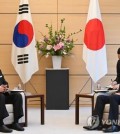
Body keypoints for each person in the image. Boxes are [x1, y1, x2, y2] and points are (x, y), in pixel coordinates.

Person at [83, 47, 120, 133]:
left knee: (113, 97)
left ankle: (113, 125)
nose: (119, 58)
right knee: (100, 98)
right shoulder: (119, 63)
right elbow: (119, 77)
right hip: (118, 93)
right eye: (118, 56)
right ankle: (96, 124)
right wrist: (115, 82)